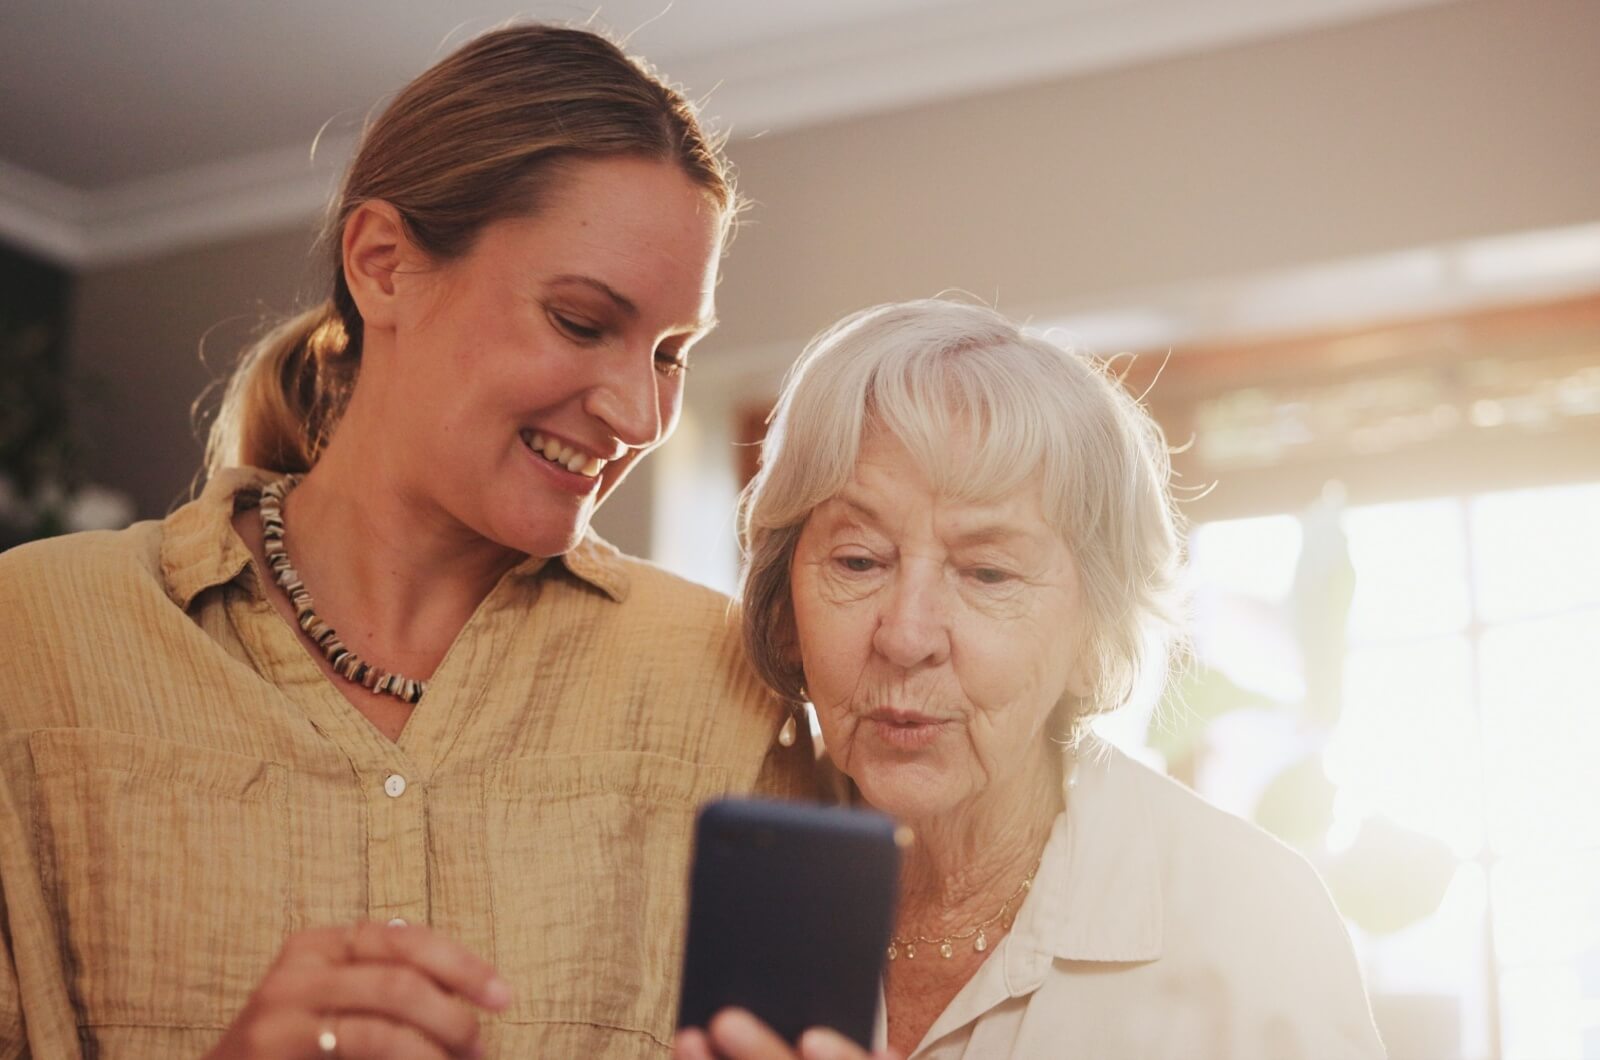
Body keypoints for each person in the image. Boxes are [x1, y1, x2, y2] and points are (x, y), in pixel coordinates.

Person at [0, 25, 815, 1060]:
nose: (640, 412)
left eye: (670, 353)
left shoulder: (729, 688)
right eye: (578, 320)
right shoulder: (31, 637)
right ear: (382, 265)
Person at [676, 299, 1386, 1059]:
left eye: (987, 572)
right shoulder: (712, 882)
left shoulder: (1250, 920)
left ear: (1095, 636)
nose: (907, 635)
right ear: (784, 607)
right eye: (858, 561)